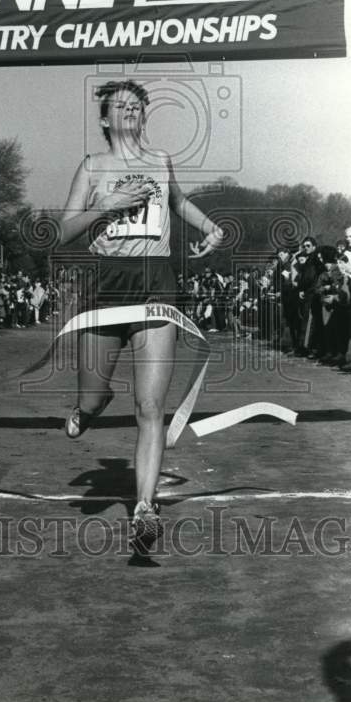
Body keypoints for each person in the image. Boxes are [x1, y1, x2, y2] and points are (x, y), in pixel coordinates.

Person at [57, 80, 223, 553]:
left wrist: (209, 226)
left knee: (150, 408)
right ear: (106, 120)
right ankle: (88, 407)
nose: (130, 111)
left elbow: (178, 203)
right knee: (91, 399)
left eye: (137, 105)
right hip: (106, 287)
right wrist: (102, 207)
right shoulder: (92, 167)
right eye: (120, 106)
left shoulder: (161, 160)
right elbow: (64, 230)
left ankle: (145, 509)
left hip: (155, 287)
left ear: (143, 117)